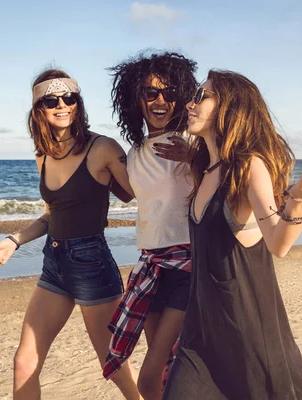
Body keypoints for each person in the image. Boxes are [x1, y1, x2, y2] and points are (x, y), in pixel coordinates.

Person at [162, 70, 302, 399]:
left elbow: (278, 243)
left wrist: (299, 199)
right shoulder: (205, 169)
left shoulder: (250, 166)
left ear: (229, 107)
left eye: (201, 96)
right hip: (200, 339)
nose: (190, 104)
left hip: (247, 340)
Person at [0, 68, 140, 400]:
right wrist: (13, 241)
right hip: (54, 264)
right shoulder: (42, 156)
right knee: (24, 362)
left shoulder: (103, 148)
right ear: (39, 108)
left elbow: (144, 193)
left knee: (112, 364)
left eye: (70, 98)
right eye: (52, 100)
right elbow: (53, 215)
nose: (62, 105)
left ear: (78, 103)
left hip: (91, 263)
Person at [102, 51, 198, 399]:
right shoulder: (137, 150)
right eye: (151, 93)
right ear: (136, 99)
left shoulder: (191, 144)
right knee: (163, 375)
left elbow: (230, 179)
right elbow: (129, 193)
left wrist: (196, 159)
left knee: (152, 374)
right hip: (150, 266)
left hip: (187, 265)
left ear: (183, 98)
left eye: (170, 93)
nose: (161, 101)